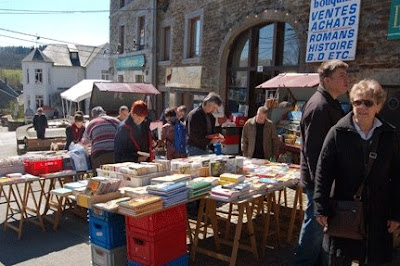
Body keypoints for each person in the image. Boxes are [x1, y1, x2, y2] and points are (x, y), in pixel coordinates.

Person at [314, 79, 400, 265]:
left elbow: (397, 175)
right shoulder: (338, 132)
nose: (362, 107)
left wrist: (396, 213)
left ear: (378, 106)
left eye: (368, 102)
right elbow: (323, 171)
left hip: (378, 212)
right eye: (357, 102)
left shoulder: (389, 135)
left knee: (373, 257)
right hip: (344, 208)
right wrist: (320, 206)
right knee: (340, 257)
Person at [294, 59, 349, 266]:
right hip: (319, 181)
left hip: (327, 179)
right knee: (315, 223)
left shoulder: (330, 103)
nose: (347, 80)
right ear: (326, 80)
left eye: (347, 75)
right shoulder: (319, 106)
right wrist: (322, 186)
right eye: (341, 76)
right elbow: (313, 152)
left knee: (319, 224)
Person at [81, 106, 120, 175]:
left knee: (100, 178)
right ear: (104, 112)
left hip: (100, 155)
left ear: (93, 116)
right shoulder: (116, 121)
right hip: (116, 154)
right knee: (116, 177)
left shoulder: (92, 123)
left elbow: (84, 142)